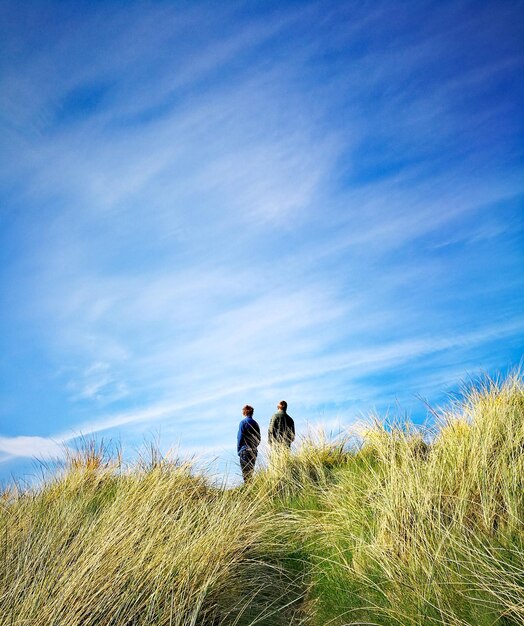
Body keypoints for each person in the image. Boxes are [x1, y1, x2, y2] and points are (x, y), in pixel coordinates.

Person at [237, 405, 261, 482]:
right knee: (251, 471)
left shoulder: (243, 422)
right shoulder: (256, 423)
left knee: (245, 473)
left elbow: (240, 437)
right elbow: (258, 438)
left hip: (245, 450)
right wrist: (254, 446)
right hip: (253, 451)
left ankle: (248, 490)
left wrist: (239, 450)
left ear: (244, 412)